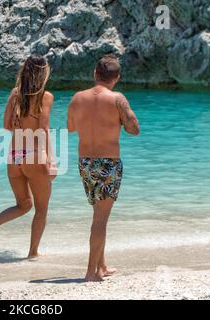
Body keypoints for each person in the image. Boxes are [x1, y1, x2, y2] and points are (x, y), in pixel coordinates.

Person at [67, 54, 140, 281]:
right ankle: (91, 272)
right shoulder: (118, 99)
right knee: (101, 218)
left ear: (94, 74)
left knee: (99, 212)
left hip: (85, 163)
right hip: (108, 163)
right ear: (116, 78)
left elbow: (70, 128)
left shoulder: (77, 98)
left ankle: (102, 266)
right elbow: (134, 129)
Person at [0, 54, 56, 259]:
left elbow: (6, 126)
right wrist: (51, 161)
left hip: (14, 157)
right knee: (41, 209)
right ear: (44, 73)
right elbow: (44, 129)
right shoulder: (45, 97)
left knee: (24, 204)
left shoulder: (15, 93)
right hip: (34, 156)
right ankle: (33, 253)